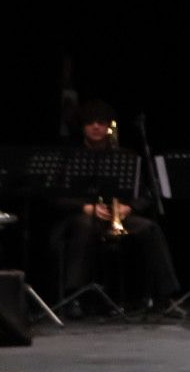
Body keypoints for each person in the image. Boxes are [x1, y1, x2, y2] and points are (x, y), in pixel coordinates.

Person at [50, 100, 180, 311]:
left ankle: (166, 295)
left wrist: (130, 207)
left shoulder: (125, 156)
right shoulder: (70, 158)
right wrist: (85, 207)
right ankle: (74, 295)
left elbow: (146, 193)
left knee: (150, 228)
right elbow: (55, 196)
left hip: (117, 215)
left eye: (101, 122)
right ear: (83, 127)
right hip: (83, 215)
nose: (96, 127)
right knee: (84, 226)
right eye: (90, 122)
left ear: (108, 126)